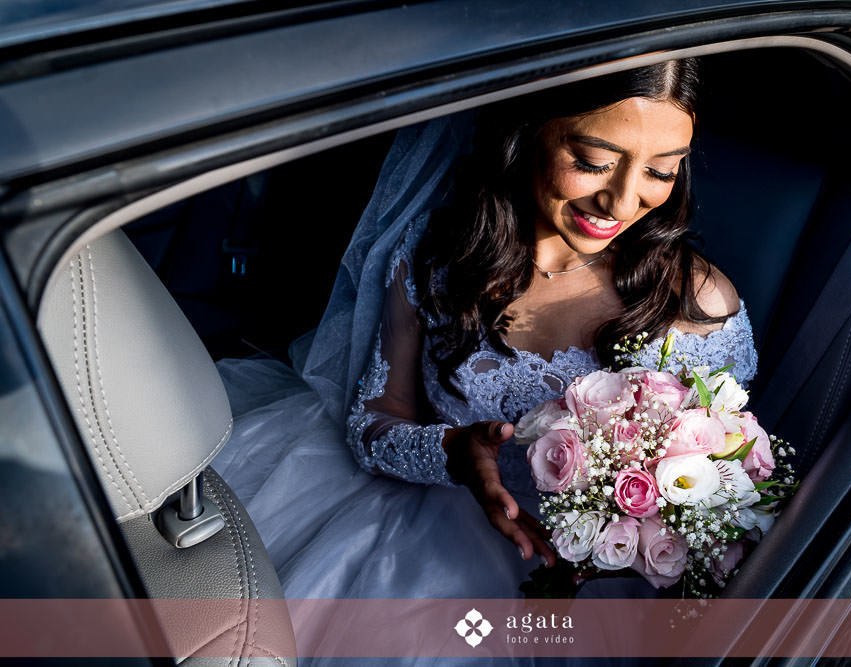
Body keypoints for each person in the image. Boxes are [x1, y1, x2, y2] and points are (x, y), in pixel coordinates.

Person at [212, 56, 756, 609]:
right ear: (527, 131)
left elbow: (722, 490)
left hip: (594, 581)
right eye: (592, 162)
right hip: (414, 530)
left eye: (661, 172)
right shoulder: (438, 253)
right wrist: (452, 453)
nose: (620, 201)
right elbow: (373, 420)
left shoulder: (696, 307)